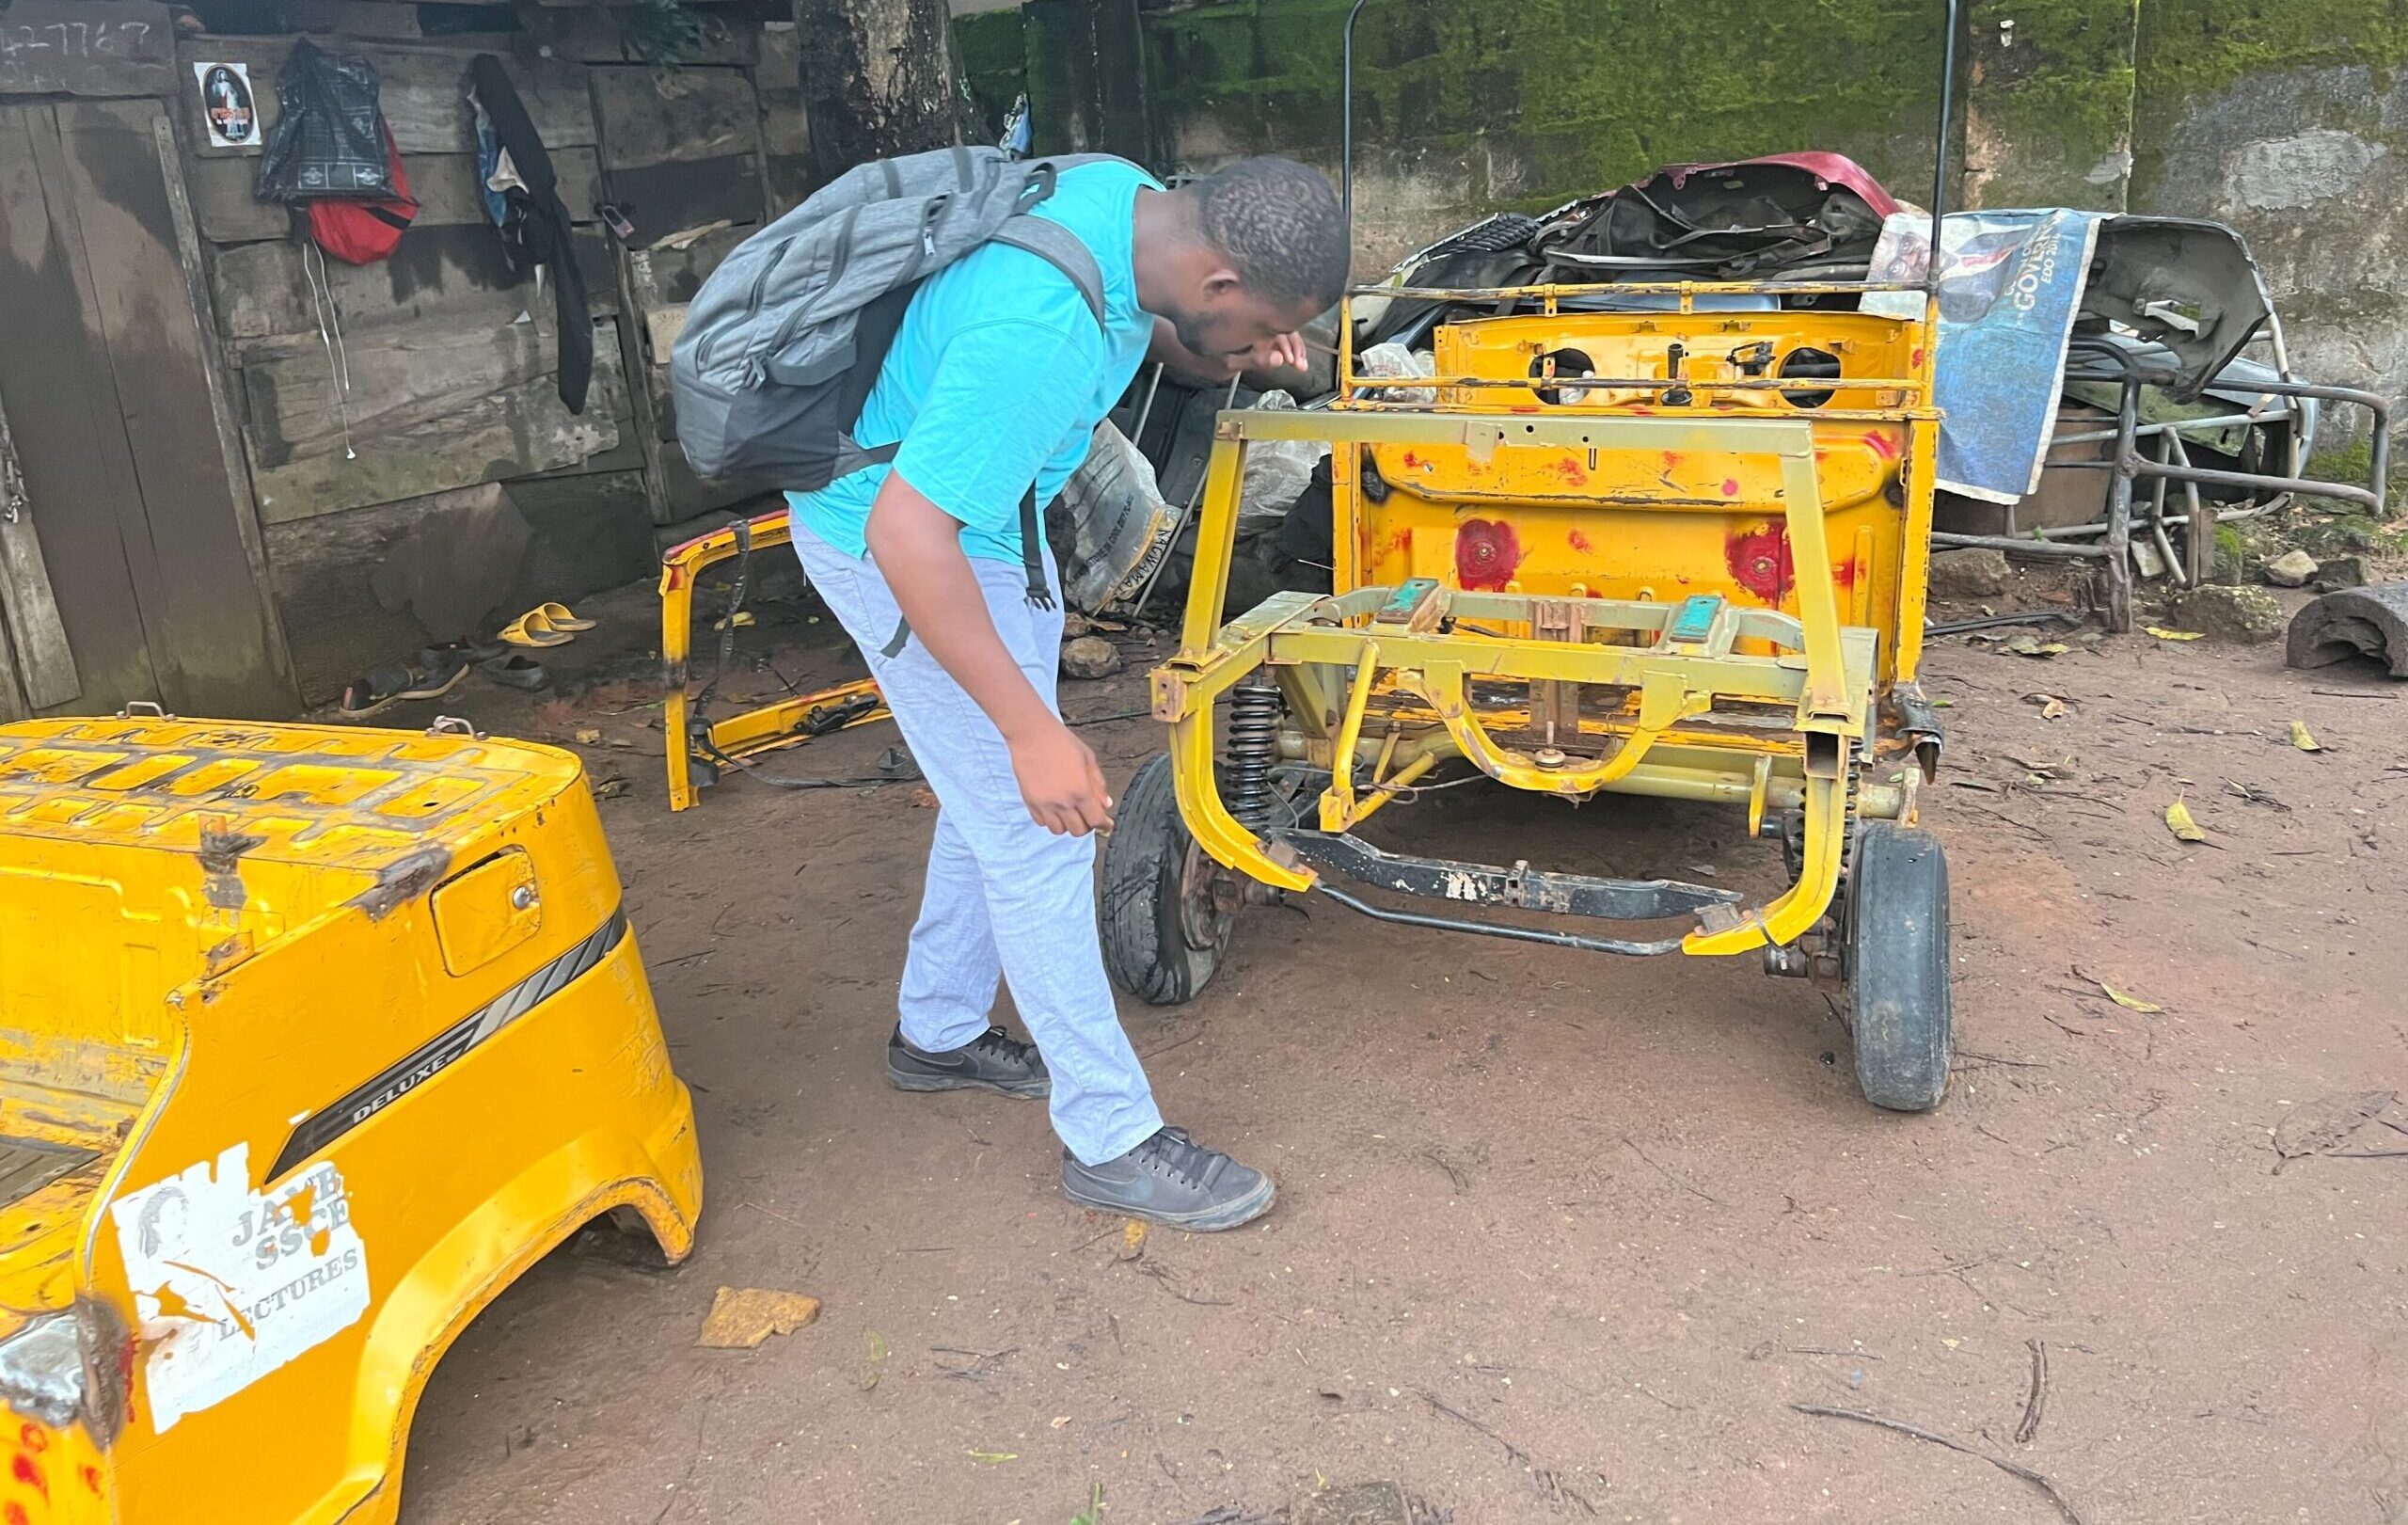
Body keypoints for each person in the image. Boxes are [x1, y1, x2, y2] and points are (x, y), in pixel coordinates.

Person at [787, 155, 1349, 1231]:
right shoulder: (1035, 330)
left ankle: (939, 1029)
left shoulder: (1127, 201)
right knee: (1042, 821)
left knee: (995, 807)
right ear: (1221, 277)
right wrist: (1027, 726)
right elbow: (911, 535)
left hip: (990, 528)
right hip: (900, 544)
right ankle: (1111, 1138)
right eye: (1252, 326)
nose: (1240, 348)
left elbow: (1172, 335)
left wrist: (1263, 354)